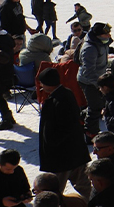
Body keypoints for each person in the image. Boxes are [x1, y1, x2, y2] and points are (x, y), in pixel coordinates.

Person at [38, 67, 92, 199]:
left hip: (61, 156)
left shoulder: (56, 101)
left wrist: (51, 143)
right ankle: (94, 206)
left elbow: (61, 128)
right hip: (76, 152)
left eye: (42, 83)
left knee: (53, 191)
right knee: (84, 187)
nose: (40, 86)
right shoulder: (66, 93)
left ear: (49, 84)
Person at [77, 22, 113, 138]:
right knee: (95, 106)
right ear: (98, 35)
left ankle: (80, 118)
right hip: (88, 81)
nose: (108, 36)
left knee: (100, 103)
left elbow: (103, 51)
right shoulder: (90, 49)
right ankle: (91, 133)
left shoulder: (101, 42)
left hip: (98, 78)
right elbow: (88, 71)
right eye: (106, 34)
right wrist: (98, 85)